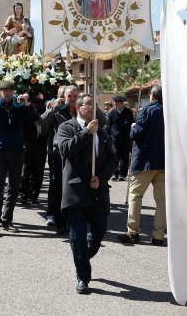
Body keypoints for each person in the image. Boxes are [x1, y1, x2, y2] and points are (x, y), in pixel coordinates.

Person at [57, 94, 115, 294]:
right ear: (78, 107)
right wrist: (85, 134)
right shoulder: (67, 127)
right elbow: (65, 150)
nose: (91, 108)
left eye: (94, 104)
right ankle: (83, 277)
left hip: (97, 190)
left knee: (98, 233)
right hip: (75, 191)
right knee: (78, 237)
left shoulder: (103, 131)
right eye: (88, 104)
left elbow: (112, 159)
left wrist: (102, 178)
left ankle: (82, 255)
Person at [0, 80, 37, 232]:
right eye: (4, 91)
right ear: (0, 92)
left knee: (14, 186)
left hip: (17, 151)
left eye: (10, 90)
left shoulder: (19, 106)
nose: (8, 93)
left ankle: (7, 221)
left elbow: (33, 118)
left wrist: (27, 104)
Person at [117, 85, 165, 245]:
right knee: (162, 201)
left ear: (152, 96)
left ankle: (133, 232)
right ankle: (158, 236)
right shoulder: (170, 112)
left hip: (144, 160)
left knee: (136, 196)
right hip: (163, 161)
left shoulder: (146, 110)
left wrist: (133, 127)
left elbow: (136, 133)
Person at [40, 85, 79, 232]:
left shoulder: (80, 109)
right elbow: (43, 126)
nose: (71, 100)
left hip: (76, 151)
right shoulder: (56, 108)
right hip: (57, 152)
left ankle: (69, 215)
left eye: (74, 96)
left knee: (71, 184)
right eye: (67, 96)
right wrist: (53, 108)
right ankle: (53, 214)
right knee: (56, 184)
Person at [107, 95, 134, 181]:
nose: (115, 104)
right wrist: (110, 135)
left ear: (121, 103)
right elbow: (109, 125)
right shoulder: (112, 112)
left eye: (117, 102)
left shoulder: (128, 112)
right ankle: (115, 174)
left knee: (125, 157)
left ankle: (123, 174)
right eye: (114, 102)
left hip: (125, 138)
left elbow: (129, 123)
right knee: (115, 156)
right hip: (115, 139)